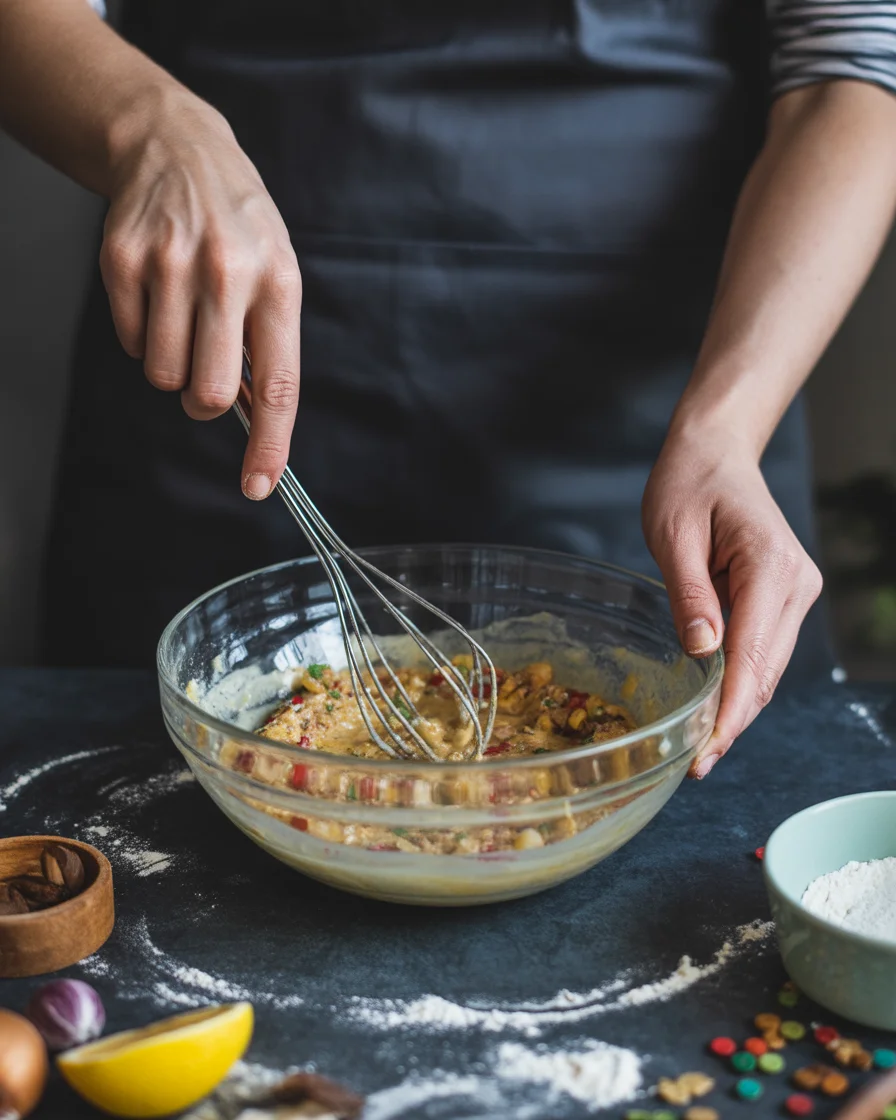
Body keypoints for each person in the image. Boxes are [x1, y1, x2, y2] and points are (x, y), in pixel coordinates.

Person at [1, 1, 894, 779]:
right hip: (224, 336)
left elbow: (853, 62)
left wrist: (728, 427)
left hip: (666, 389)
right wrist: (152, 127)